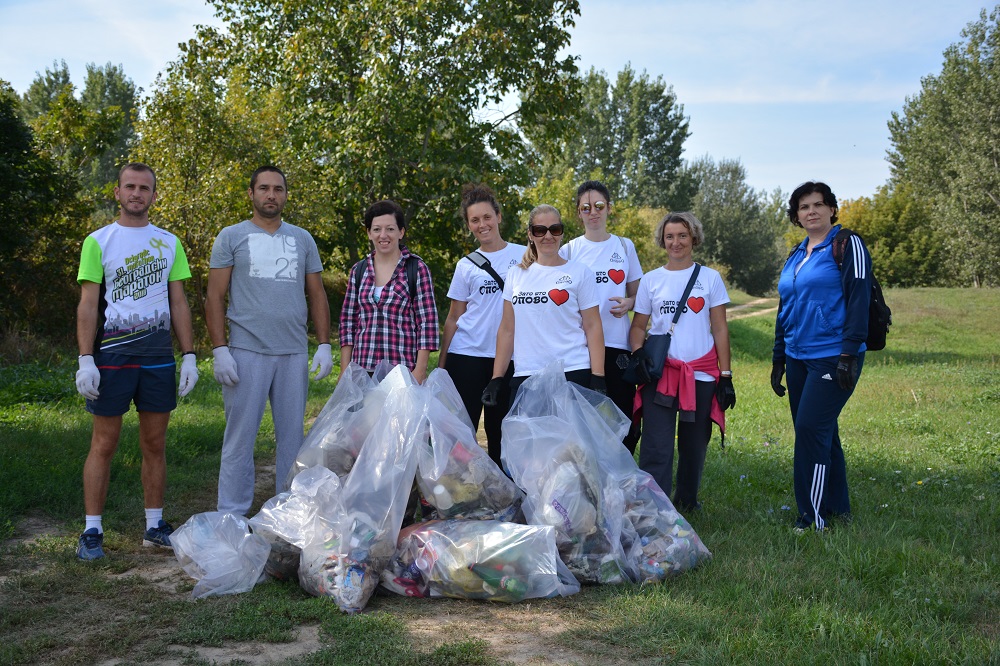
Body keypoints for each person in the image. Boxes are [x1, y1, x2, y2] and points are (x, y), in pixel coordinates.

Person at [74, 162, 199, 560]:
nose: (137, 194)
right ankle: (92, 531)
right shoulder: (98, 241)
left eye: (145, 188)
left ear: (154, 195)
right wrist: (85, 359)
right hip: (112, 357)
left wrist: (191, 355)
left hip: (158, 357)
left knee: (154, 443)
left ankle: (154, 526)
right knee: (104, 443)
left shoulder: (169, 242)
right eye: (130, 186)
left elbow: (178, 301)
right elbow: (88, 304)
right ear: (117, 192)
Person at [206, 165, 332, 518]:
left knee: (294, 442)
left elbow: (316, 293)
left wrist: (324, 344)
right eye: (264, 188)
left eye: (278, 189)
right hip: (246, 351)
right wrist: (219, 350)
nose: (271, 195)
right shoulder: (231, 236)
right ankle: (230, 515)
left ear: (285, 195)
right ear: (251, 194)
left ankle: (289, 514)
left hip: (293, 352)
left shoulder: (302, 238)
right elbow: (214, 297)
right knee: (239, 440)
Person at [772, 181, 871, 532]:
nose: (811, 211)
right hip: (798, 356)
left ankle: (811, 516)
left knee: (811, 430)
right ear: (796, 216)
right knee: (823, 431)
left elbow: (859, 299)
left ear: (831, 208)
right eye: (803, 207)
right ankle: (837, 508)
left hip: (834, 356)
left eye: (818, 204)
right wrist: (778, 357)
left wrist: (848, 352)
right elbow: (786, 306)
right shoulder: (797, 254)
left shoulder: (848, 245)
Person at [629, 212, 735, 512]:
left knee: (694, 444)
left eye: (682, 235)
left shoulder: (710, 278)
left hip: (701, 373)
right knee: (656, 444)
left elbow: (720, 328)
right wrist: (638, 355)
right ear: (662, 240)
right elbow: (638, 327)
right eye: (670, 236)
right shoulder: (651, 280)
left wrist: (725, 376)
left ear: (694, 238)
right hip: (661, 373)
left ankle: (687, 503)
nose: (676, 242)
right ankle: (655, 508)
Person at [483, 204, 605, 408]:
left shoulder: (580, 272)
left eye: (554, 229)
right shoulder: (515, 274)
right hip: (527, 374)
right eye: (540, 230)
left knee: (570, 441)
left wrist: (598, 375)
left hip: (572, 371)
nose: (548, 236)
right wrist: (496, 378)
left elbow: (593, 326)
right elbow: (506, 329)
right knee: (526, 440)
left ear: (562, 232)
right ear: (530, 234)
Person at [439, 184, 525, 466]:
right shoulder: (466, 265)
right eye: (474, 220)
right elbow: (454, 317)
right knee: (461, 432)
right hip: (468, 356)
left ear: (499, 217)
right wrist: (441, 366)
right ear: (469, 226)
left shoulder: (526, 256)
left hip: (510, 358)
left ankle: (503, 497)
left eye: (487, 217)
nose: (482, 224)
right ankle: (460, 496)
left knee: (502, 433)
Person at [560, 180, 643, 452]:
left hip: (617, 344)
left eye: (598, 206)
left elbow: (638, 294)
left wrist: (629, 302)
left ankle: (622, 483)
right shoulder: (569, 250)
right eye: (585, 208)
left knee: (623, 419)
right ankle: (586, 485)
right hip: (580, 348)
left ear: (609, 209)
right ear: (578, 213)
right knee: (582, 422)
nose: (592, 212)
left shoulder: (623, 245)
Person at [338, 199, 439, 382]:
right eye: (377, 229)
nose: (383, 235)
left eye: (390, 229)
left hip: (401, 372)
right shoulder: (358, 271)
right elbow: (348, 323)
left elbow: (427, 324)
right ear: (369, 233)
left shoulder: (416, 269)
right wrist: (345, 372)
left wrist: (420, 370)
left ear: (401, 232)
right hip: (362, 372)